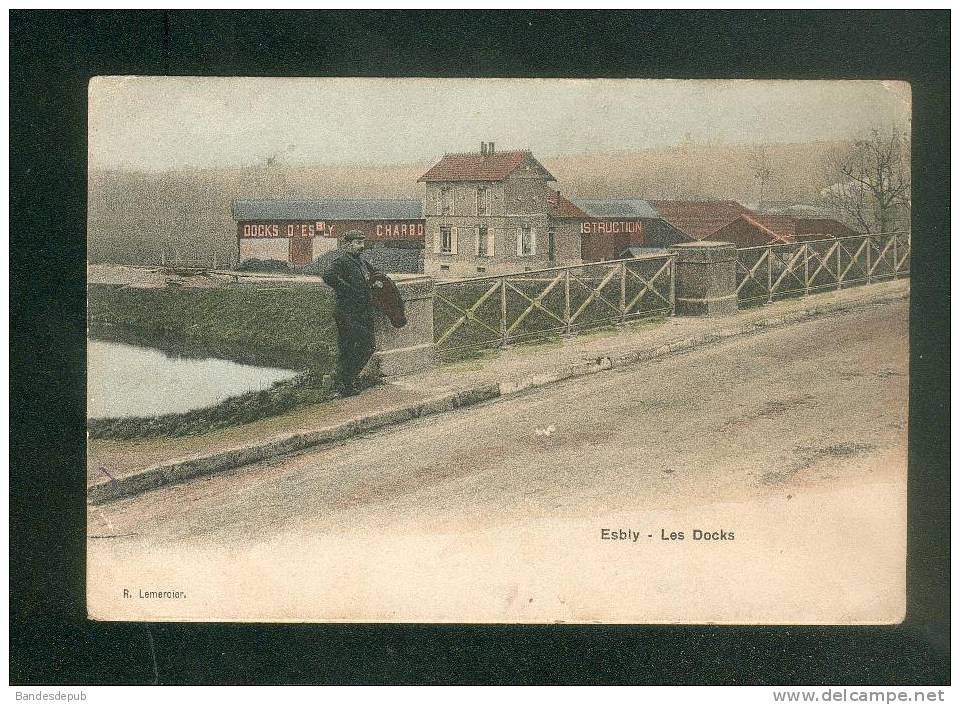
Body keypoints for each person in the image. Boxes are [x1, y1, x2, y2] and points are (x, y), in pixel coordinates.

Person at [321, 230, 382, 397]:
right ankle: (345, 384)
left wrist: (376, 282)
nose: (361, 246)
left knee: (368, 346)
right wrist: (348, 290)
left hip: (363, 312)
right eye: (357, 243)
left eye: (362, 243)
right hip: (347, 312)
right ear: (347, 245)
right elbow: (328, 276)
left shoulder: (362, 263)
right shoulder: (341, 262)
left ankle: (346, 380)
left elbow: (377, 275)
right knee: (350, 348)